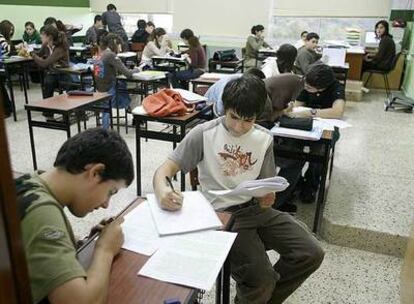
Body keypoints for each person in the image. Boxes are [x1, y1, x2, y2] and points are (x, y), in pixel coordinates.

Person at [153, 74, 324, 304]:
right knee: (261, 279)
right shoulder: (204, 133)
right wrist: (163, 191)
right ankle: (259, 295)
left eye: (248, 120)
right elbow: (164, 170)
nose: (239, 127)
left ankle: (260, 299)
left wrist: (268, 196)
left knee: (311, 252)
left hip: (255, 210)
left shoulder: (263, 138)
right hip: (222, 215)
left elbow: (265, 184)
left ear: (257, 116)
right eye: (233, 117)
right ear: (225, 108)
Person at [16, 128, 134, 304]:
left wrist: (77, 242)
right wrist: (105, 249)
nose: (106, 204)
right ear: (95, 172)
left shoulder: (31, 181)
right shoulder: (42, 214)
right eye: (111, 192)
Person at [285, 63, 345, 205]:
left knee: (319, 152)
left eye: (310, 88)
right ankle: (294, 182)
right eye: (306, 85)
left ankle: (311, 185)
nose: (306, 89)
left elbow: (337, 111)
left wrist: (311, 112)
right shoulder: (308, 83)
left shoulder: (336, 88)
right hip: (306, 125)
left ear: (323, 87)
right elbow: (297, 106)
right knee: (292, 147)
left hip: (327, 128)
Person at [93, 33, 138, 129]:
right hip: (110, 91)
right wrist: (138, 69)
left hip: (100, 90)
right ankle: (136, 116)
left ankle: (129, 108)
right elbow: (128, 74)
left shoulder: (101, 54)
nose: (120, 49)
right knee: (136, 90)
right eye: (119, 45)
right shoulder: (111, 55)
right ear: (114, 43)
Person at [31, 25, 70, 111]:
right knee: (47, 82)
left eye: (43, 35)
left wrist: (33, 55)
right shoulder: (46, 44)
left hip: (62, 73)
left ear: (49, 37)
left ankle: (50, 110)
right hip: (53, 72)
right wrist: (30, 51)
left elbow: (45, 63)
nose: (40, 36)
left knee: (49, 82)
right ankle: (47, 111)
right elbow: (40, 54)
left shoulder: (60, 48)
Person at [0, 20, 16, 118]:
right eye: (10, 30)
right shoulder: (1, 37)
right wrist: (15, 47)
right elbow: (8, 49)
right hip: (2, 67)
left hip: (1, 67)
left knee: (2, 90)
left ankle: (7, 109)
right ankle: (7, 108)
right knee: (2, 89)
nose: (11, 32)